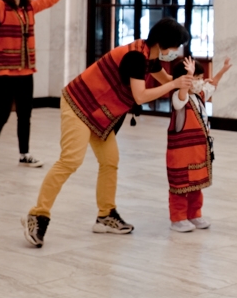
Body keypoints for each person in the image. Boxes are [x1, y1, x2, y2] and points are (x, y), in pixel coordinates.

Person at [22, 17, 194, 248]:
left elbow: (169, 81)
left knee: (110, 160)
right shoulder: (136, 58)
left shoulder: (149, 57)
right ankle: (37, 215)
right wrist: (175, 85)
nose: (176, 52)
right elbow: (141, 96)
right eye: (175, 47)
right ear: (163, 43)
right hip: (79, 104)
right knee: (70, 161)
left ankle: (106, 216)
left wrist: (193, 82)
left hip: (99, 114)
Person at [0, 0, 77, 173]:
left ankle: (24, 154)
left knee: (25, 114)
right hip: (5, 71)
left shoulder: (28, 8)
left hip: (26, 71)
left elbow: (49, 0)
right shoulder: (0, 7)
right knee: (2, 115)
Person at [167, 55, 231, 232]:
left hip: (197, 152)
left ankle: (194, 214)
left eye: (199, 78)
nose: (200, 82)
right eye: (196, 78)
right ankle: (178, 218)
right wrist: (188, 77)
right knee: (180, 187)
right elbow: (181, 97)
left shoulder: (200, 95)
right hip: (181, 154)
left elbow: (212, 85)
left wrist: (222, 71)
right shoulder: (179, 99)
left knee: (196, 185)